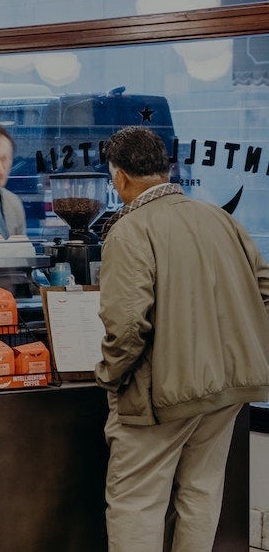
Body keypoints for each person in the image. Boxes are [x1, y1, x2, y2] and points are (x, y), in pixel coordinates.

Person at [95, 125, 269, 552]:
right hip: (227, 389)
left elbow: (128, 325)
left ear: (119, 177)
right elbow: (263, 290)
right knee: (201, 493)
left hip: (161, 392)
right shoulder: (221, 219)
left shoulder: (129, 230)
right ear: (166, 168)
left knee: (136, 502)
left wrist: (109, 376)